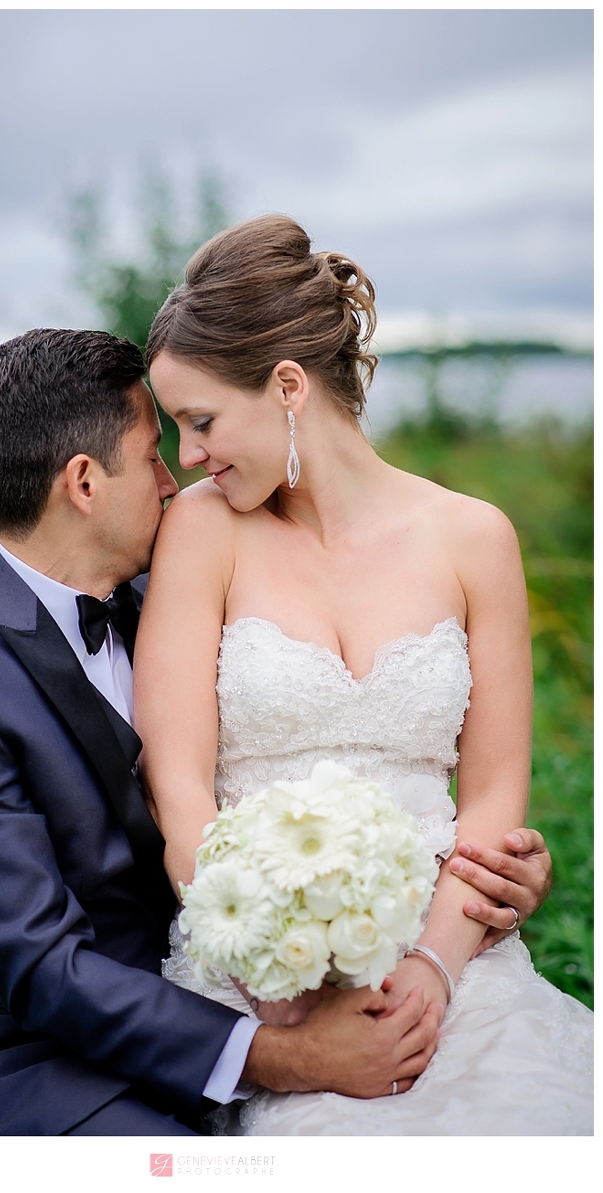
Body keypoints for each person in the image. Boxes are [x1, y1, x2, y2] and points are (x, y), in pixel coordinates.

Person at [0, 328, 553, 1137]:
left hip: (254, 990)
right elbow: (42, 967)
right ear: (84, 482)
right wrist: (285, 1051)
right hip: (59, 1067)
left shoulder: (189, 583)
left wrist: (484, 875)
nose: (176, 474)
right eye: (153, 453)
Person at [135, 214, 594, 1135]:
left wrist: (431, 968)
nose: (188, 456)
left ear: (289, 386)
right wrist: (271, 973)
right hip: (263, 981)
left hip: (453, 960)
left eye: (201, 420)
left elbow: (496, 798)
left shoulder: (474, 538)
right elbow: (176, 785)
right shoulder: (201, 531)